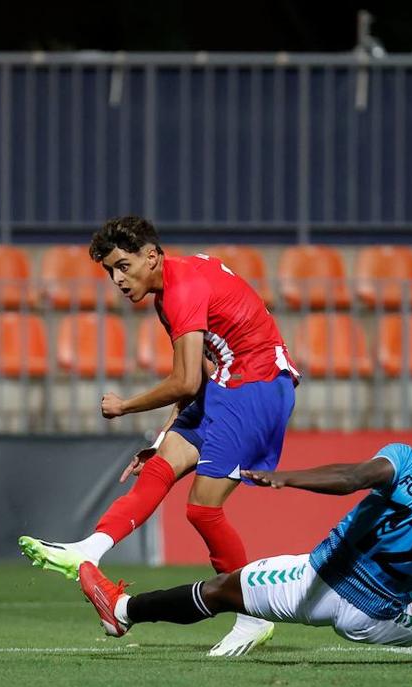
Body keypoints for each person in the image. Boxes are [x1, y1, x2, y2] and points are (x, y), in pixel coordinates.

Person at [77, 411, 412, 668]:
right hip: (379, 616)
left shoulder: (408, 460)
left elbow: (352, 476)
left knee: (222, 588)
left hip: (316, 585)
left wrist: (288, 477)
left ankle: (121, 612)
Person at [20, 216, 299, 657]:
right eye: (110, 271)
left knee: (202, 509)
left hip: (255, 385)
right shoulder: (170, 289)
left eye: (123, 266)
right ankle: (88, 550)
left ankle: (254, 614)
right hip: (228, 382)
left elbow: (186, 381)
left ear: (152, 255)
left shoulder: (183, 290)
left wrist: (125, 405)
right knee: (158, 466)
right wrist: (162, 434)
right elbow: (198, 375)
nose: (117, 279)